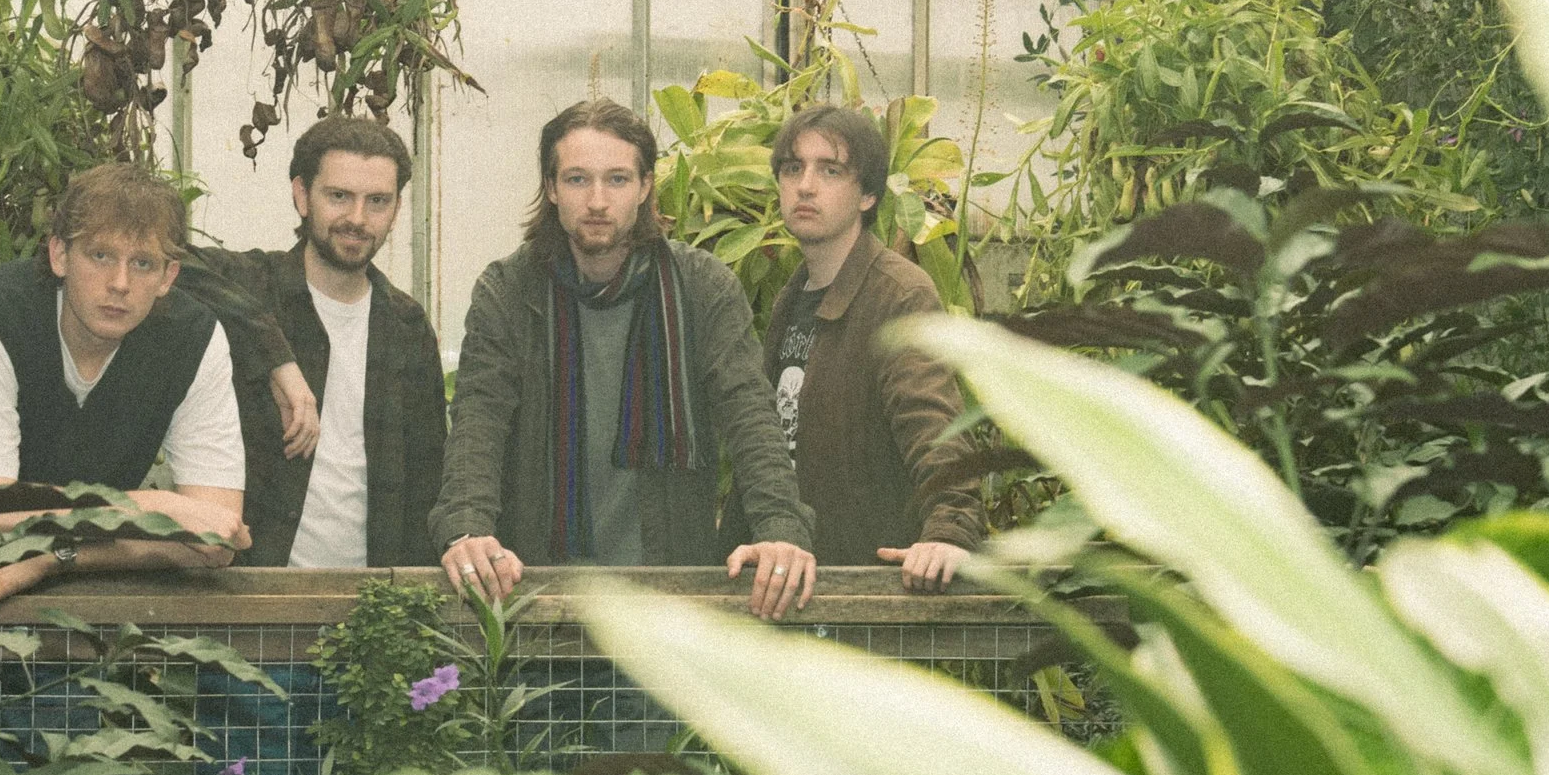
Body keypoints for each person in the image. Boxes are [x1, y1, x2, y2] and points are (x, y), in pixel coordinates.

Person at [431, 99, 817, 620]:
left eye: (616, 180)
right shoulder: (510, 290)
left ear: (645, 187)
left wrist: (780, 532)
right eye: (576, 180)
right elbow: (479, 420)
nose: (596, 200)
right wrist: (467, 529)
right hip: (542, 593)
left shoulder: (701, 287)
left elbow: (750, 415)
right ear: (550, 189)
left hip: (671, 591)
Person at [0, 162, 251, 618]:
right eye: (100, 255)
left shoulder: (194, 339)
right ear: (59, 255)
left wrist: (52, 559)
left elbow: (216, 540)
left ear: (169, 277)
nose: (120, 284)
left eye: (143, 263)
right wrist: (157, 506)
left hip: (70, 571)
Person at [187, 115, 447, 568]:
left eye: (378, 201)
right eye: (339, 196)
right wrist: (277, 359)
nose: (358, 219)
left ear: (397, 209)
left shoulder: (406, 326)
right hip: (256, 594)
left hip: (372, 604)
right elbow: (165, 258)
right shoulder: (253, 285)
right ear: (302, 195)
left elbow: (427, 483)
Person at [763, 104, 983, 591]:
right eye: (793, 168)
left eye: (831, 170)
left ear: (867, 195)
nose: (805, 185)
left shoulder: (899, 294)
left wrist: (950, 529)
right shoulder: (790, 301)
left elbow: (935, 427)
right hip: (804, 586)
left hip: (873, 590)